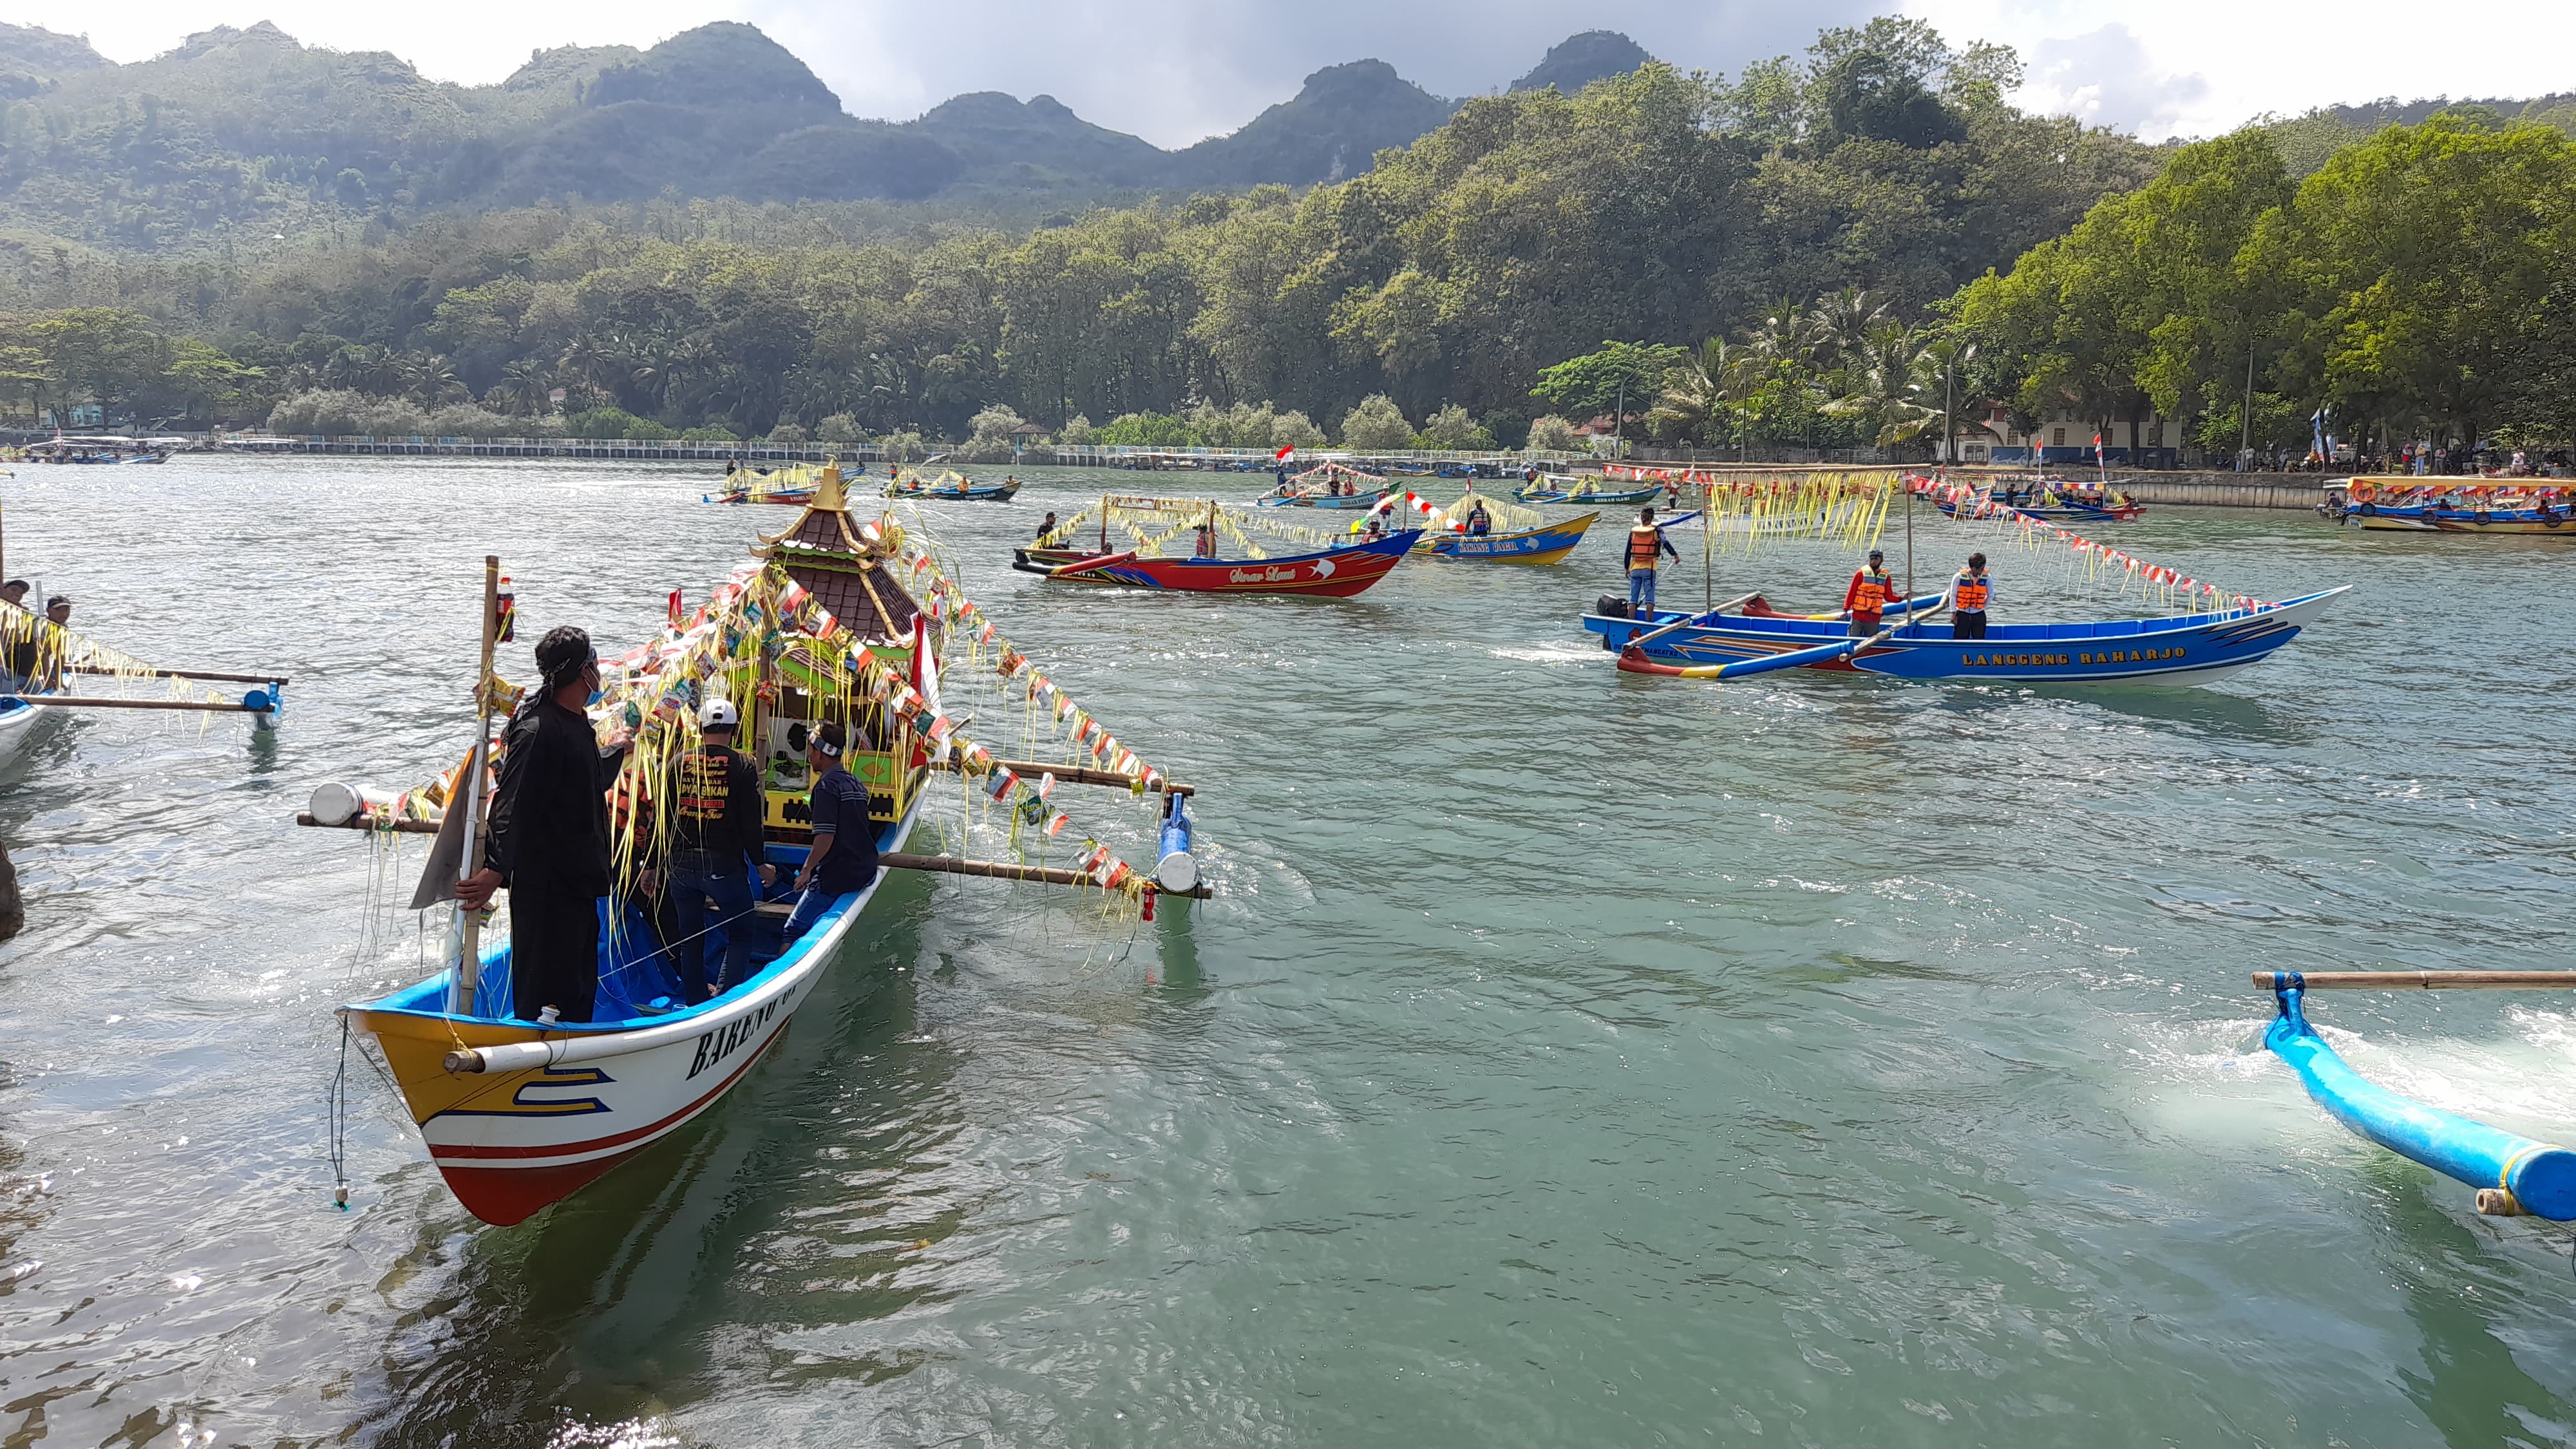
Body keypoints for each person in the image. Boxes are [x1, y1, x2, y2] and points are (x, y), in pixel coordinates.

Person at [457, 626, 635, 1025]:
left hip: (579, 883)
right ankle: (533, 1055)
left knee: (576, 986)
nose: (598, 669)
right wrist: (496, 870)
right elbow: (512, 802)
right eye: (593, 661)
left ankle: (573, 1053)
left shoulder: (578, 726)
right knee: (544, 989)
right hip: (545, 887)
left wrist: (617, 753)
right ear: (582, 671)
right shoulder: (538, 730)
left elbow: (586, 781)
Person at [649, 698, 775, 1001]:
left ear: (701, 727)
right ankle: (725, 998)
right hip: (723, 866)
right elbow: (750, 825)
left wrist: (651, 866)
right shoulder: (743, 765)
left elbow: (660, 821)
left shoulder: (676, 762)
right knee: (742, 932)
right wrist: (761, 865)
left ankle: (695, 999)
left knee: (690, 939)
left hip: (679, 866)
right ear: (733, 728)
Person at [781, 721, 878, 945]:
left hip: (839, 875)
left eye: (811, 751)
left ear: (820, 754)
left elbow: (825, 837)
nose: (809, 756)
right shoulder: (855, 782)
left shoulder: (825, 787)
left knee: (791, 930)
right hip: (865, 870)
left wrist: (806, 872)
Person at [1625, 507, 1679, 618]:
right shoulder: (1657, 530)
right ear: (1652, 517)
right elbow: (1665, 543)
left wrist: (1627, 568)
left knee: (1633, 598)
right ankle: (1649, 622)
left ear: (1642, 517)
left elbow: (1628, 550)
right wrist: (1675, 555)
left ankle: (1631, 621)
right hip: (1649, 568)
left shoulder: (1634, 531)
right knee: (1650, 598)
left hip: (1634, 568)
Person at [1844, 550, 1897, 637]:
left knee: (1872, 639)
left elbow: (1888, 597)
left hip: (1874, 617)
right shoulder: (1860, 574)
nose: (1873, 561)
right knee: (1853, 638)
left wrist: (1902, 598)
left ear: (1881, 560)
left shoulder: (1886, 577)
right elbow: (1852, 592)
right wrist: (1846, 609)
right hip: (1858, 615)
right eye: (1871, 559)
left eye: (1876, 559)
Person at [1948, 552, 1992, 640]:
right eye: (1979, 568)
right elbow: (1953, 596)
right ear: (1973, 567)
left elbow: (1991, 595)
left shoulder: (1987, 578)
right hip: (1962, 614)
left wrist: (1982, 607)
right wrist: (1953, 613)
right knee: (1960, 640)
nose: (1981, 570)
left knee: (1979, 639)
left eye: (1983, 567)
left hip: (1979, 615)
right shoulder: (1958, 577)